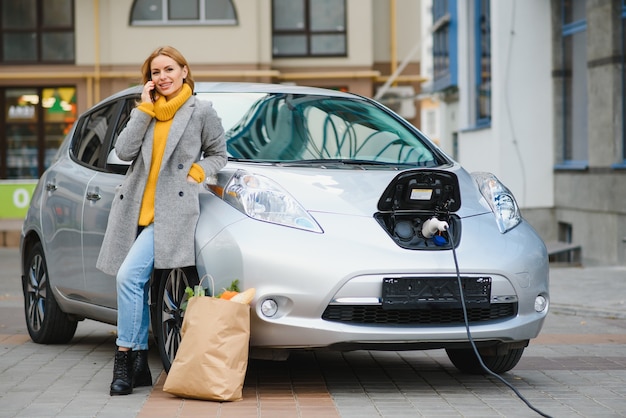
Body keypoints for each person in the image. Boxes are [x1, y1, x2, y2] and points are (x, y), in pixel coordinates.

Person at [96, 46, 227, 396]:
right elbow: (123, 152)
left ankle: (124, 356)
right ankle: (139, 366)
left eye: (169, 69)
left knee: (128, 278)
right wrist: (143, 108)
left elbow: (219, 154)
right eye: (155, 72)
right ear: (149, 80)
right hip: (135, 210)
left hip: (171, 213)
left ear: (184, 71)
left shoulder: (201, 111)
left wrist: (199, 170)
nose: (163, 77)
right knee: (135, 286)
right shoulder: (147, 111)